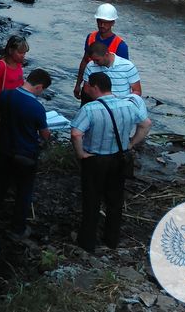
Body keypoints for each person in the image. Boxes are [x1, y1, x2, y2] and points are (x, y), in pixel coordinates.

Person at [70, 71, 151, 252]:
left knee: (92, 200)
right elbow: (146, 124)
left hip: (95, 159)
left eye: (88, 85)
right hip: (119, 158)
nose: (86, 88)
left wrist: (81, 154)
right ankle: (111, 240)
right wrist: (131, 143)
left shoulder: (89, 109)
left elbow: (76, 133)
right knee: (114, 200)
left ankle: (87, 242)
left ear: (95, 87)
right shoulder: (128, 106)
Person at [0, 68, 53, 238]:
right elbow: (44, 134)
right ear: (39, 87)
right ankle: (18, 227)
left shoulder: (6, 95)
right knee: (24, 190)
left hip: (4, 148)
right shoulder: (37, 107)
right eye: (43, 90)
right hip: (25, 153)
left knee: (0, 179)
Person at [73, 3, 129, 99]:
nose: (102, 25)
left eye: (106, 22)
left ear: (112, 22)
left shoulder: (120, 46)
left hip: (108, 92)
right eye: (99, 21)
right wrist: (78, 84)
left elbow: (124, 72)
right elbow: (85, 61)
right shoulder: (91, 37)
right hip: (90, 87)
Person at [0, 34, 29, 113]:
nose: (23, 56)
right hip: (1, 107)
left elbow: (20, 85)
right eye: (20, 52)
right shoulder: (0, 66)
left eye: (24, 53)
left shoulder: (18, 64)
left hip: (13, 107)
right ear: (10, 50)